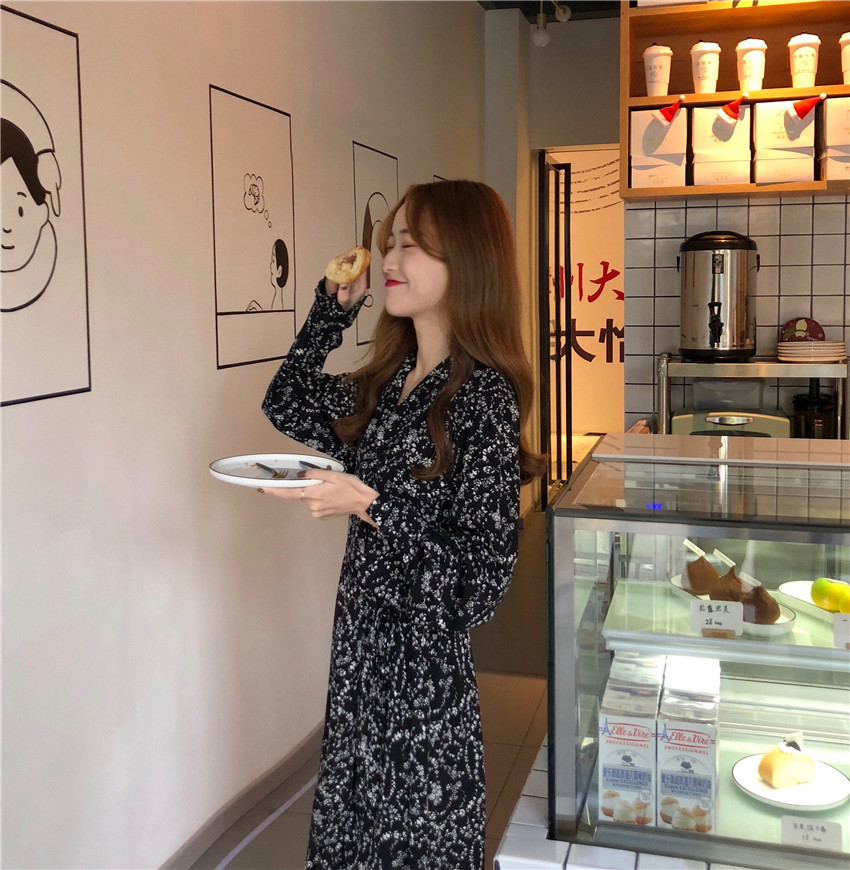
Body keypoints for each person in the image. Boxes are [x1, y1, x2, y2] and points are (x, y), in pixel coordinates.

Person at [261, 179, 543, 869]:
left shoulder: (483, 399)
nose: (388, 257)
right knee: (349, 843)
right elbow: (285, 400)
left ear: (465, 262)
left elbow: (479, 587)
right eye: (390, 242)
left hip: (421, 690)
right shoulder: (388, 385)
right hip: (360, 666)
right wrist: (331, 313)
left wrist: (371, 504)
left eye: (410, 244)